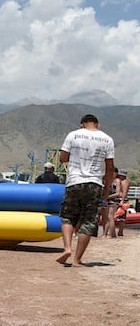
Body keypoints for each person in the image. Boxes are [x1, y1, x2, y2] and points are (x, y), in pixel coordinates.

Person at [56, 114, 115, 266]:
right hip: (95, 183)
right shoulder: (107, 139)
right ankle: (77, 259)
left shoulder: (73, 135)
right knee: (89, 221)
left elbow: (62, 158)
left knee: (68, 216)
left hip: (74, 181)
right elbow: (109, 167)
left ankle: (67, 248)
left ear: (81, 124)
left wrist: (75, 156)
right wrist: (107, 189)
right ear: (98, 125)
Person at [100, 167, 120, 238]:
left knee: (110, 217)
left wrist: (108, 197)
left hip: (113, 200)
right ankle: (105, 233)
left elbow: (117, 193)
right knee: (104, 218)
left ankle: (112, 234)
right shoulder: (106, 180)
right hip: (105, 200)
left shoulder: (117, 181)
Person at [114, 168, 130, 236]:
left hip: (121, 199)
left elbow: (125, 192)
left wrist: (122, 201)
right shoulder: (121, 181)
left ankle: (120, 232)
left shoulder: (125, 181)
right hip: (119, 199)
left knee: (121, 217)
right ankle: (119, 232)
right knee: (119, 216)